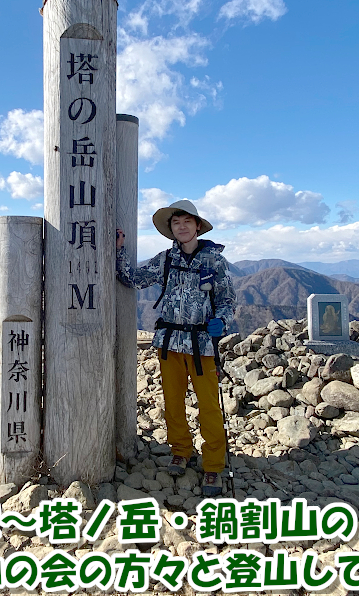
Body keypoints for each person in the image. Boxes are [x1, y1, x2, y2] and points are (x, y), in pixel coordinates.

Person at [116, 199, 236, 497]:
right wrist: (119, 251)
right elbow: (133, 278)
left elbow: (228, 299)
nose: (181, 227)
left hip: (202, 344)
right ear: (171, 230)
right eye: (175, 223)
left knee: (209, 406)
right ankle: (180, 451)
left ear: (197, 225)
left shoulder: (214, 261)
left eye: (186, 221)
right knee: (172, 403)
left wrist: (221, 320)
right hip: (169, 342)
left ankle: (214, 464)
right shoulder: (164, 259)